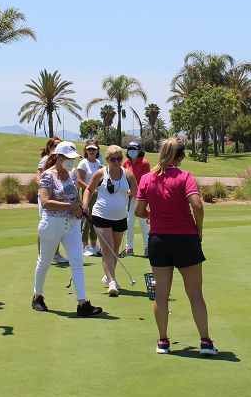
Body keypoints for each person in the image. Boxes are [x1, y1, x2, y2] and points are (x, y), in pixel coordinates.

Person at [136, 137, 216, 355]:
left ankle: (163, 342)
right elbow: (197, 205)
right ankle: (205, 342)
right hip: (185, 239)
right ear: (180, 157)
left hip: (158, 240)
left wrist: (154, 214)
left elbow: (138, 211)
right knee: (195, 293)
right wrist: (199, 229)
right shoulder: (185, 177)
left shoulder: (146, 178)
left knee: (161, 294)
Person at [32, 141, 104, 316]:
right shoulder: (48, 176)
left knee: (77, 262)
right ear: (59, 157)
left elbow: (75, 198)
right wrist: (69, 207)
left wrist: (80, 208)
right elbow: (46, 202)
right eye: (68, 158)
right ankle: (37, 296)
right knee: (45, 261)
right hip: (51, 224)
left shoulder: (72, 175)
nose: (71, 161)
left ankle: (82, 303)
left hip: (71, 225)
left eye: (73, 158)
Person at [85, 145, 137, 296]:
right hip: (101, 215)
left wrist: (131, 193)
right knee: (107, 251)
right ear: (107, 159)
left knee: (115, 250)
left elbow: (137, 191)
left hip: (121, 217)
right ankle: (112, 282)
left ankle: (108, 277)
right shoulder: (101, 173)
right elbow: (89, 189)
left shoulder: (128, 174)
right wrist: (85, 204)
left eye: (119, 158)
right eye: (113, 159)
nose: (116, 161)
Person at [37, 137, 68, 266]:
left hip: (58, 195)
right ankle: (42, 255)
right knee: (46, 222)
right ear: (49, 148)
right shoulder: (45, 160)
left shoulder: (62, 160)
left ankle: (54, 253)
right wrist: (47, 189)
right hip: (46, 196)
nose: (56, 148)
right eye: (54, 146)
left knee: (55, 224)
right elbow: (38, 177)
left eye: (59, 145)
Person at [121, 142, 151, 257]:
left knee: (143, 222)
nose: (131, 151)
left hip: (142, 197)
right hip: (129, 197)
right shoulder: (126, 163)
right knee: (129, 222)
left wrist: (135, 192)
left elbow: (145, 181)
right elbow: (123, 179)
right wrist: (128, 190)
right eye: (129, 149)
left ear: (139, 150)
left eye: (134, 149)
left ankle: (147, 248)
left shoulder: (144, 163)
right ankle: (129, 248)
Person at [76, 139, 103, 257]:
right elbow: (79, 180)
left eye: (93, 149)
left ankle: (93, 245)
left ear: (97, 151)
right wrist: (91, 189)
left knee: (95, 221)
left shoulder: (98, 163)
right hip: (88, 195)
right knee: (86, 220)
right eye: (89, 149)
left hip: (98, 195)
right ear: (86, 150)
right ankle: (84, 246)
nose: (91, 151)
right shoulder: (83, 163)